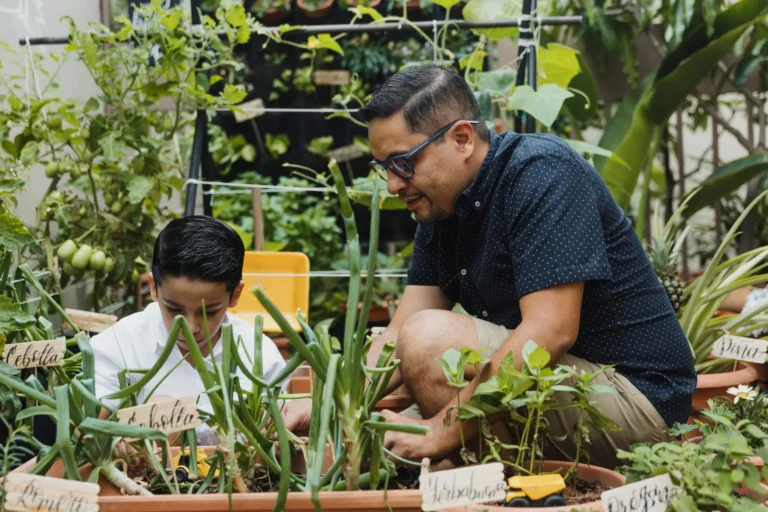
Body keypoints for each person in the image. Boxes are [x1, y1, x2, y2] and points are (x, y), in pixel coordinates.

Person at [282, 64, 696, 470]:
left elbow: (549, 332)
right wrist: (320, 404)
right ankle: (479, 480)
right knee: (368, 446)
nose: (392, 184)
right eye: (384, 168)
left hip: (637, 402)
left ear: (461, 138)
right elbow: (394, 338)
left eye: (403, 163)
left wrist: (439, 431)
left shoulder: (541, 173)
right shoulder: (439, 207)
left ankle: (504, 488)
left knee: (430, 342)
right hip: (557, 391)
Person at [92, 216, 287, 422]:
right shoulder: (117, 346)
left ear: (235, 295)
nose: (191, 328)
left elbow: (280, 429)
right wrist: (120, 436)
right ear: (153, 288)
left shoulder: (260, 357)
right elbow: (86, 431)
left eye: (209, 312)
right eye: (174, 310)